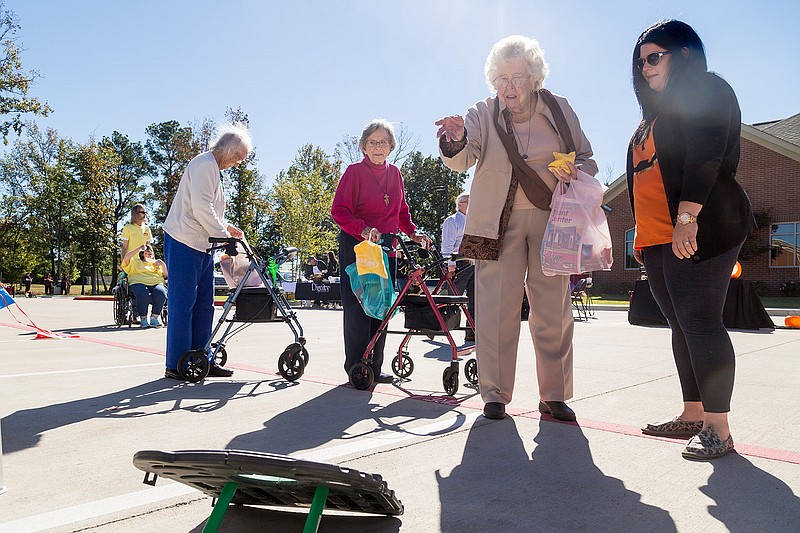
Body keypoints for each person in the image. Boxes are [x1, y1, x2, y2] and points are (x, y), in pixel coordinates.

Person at [435, 35, 598, 421]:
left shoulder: (559, 109)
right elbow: (461, 159)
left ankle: (554, 395)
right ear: (494, 81)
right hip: (495, 224)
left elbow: (588, 159)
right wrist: (456, 139)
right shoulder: (482, 112)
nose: (509, 87)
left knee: (553, 310)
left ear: (534, 77)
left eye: (518, 77)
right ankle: (494, 393)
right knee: (495, 310)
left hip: (553, 221)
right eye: (502, 78)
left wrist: (576, 172)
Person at [627, 20, 753, 460]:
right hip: (659, 237)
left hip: (701, 225)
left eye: (654, 56)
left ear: (682, 55)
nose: (645, 67)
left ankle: (719, 427)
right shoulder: (654, 117)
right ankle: (693, 414)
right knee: (681, 325)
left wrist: (687, 216)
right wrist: (644, 238)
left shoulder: (707, 90)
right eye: (640, 60)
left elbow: (706, 155)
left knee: (701, 322)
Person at [331, 118, 432, 383]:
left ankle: (375, 366)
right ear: (364, 146)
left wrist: (412, 232)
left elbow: (401, 211)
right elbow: (339, 210)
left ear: (391, 147)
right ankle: (357, 365)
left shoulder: (395, 173)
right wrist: (362, 229)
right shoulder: (354, 172)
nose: (378, 147)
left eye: (383, 142)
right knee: (359, 307)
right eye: (373, 142)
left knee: (384, 306)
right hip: (359, 245)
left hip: (386, 246)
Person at [161, 123, 252, 380]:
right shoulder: (204, 165)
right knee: (183, 303)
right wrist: (224, 237)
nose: (237, 163)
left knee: (204, 305)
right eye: (238, 157)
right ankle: (177, 362)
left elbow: (207, 209)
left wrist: (226, 227)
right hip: (184, 241)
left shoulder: (213, 169)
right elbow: (201, 208)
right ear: (227, 149)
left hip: (202, 245)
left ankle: (202, 358)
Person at [440, 192, 475, 342]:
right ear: (460, 204)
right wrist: (450, 265)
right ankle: (438, 325)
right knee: (453, 299)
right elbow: (447, 244)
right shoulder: (452, 221)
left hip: (473, 262)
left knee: (475, 299)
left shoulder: (473, 220)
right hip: (458, 262)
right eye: (469, 201)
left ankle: (471, 332)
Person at [122, 244, 168, 327]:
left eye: (150, 253)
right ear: (142, 254)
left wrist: (163, 265)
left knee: (161, 292)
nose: (148, 255)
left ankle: (154, 318)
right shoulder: (135, 262)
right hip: (138, 282)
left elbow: (165, 276)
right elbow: (126, 258)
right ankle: (143, 319)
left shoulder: (157, 263)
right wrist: (138, 248)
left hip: (156, 282)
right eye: (146, 253)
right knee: (143, 293)